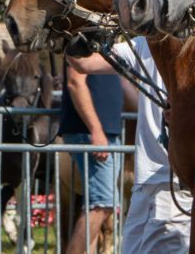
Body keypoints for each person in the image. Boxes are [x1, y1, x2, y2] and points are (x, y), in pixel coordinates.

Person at [67, 36, 192, 253]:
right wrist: (71, 21)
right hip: (145, 183)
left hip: (175, 182)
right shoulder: (145, 43)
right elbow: (82, 62)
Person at [60, 62, 123, 254]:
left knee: (102, 204)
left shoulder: (106, 43)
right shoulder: (84, 38)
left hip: (106, 134)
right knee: (102, 204)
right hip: (93, 134)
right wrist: (96, 130)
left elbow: (125, 85)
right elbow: (75, 82)